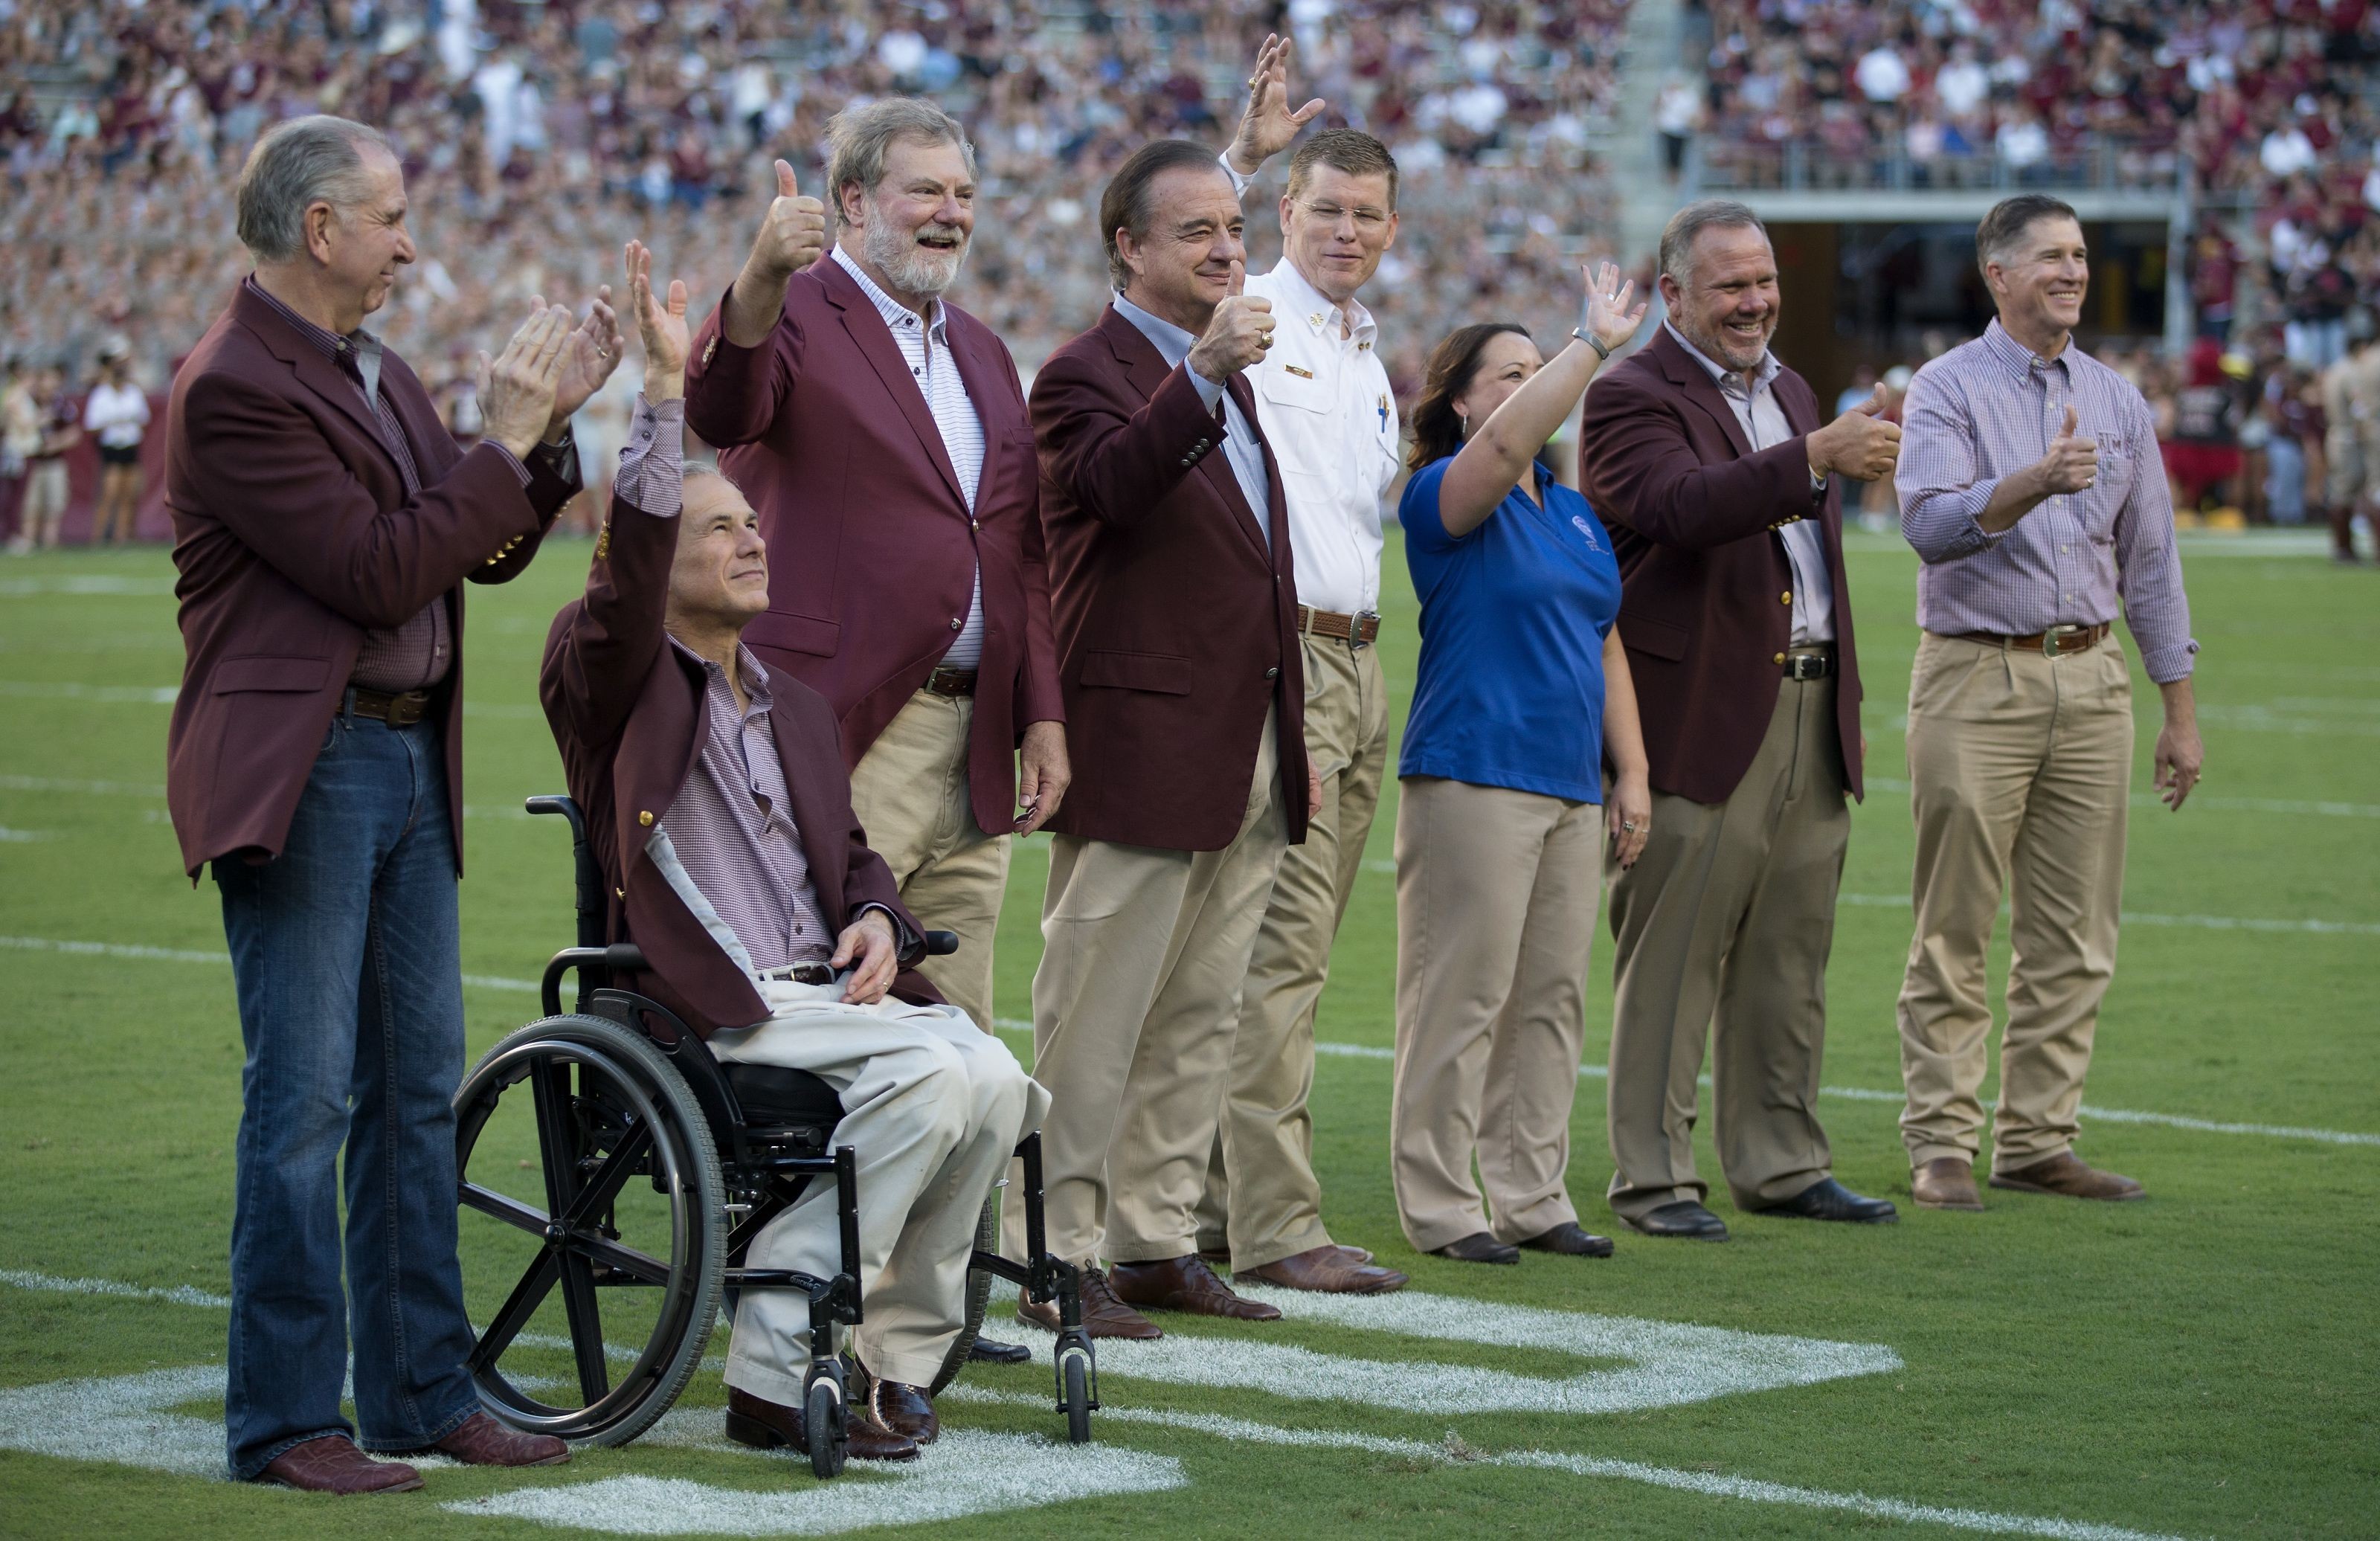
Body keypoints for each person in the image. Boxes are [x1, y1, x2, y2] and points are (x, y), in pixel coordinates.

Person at [165, 115, 610, 1493]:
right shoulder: (236, 382)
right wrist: (507, 436)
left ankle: (419, 1389)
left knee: (416, 1093)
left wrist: (545, 440)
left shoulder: (374, 370)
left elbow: (469, 549)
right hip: (311, 768)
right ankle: (288, 1421)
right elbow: (375, 569)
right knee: (302, 1103)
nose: (412, 245)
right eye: (394, 218)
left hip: (408, 758)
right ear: (320, 230)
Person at [544, 241, 1046, 1461]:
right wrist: (663, 397)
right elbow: (630, 577)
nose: (752, 541)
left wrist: (876, 918)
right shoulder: (609, 670)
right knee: (938, 1077)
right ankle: (775, 1345)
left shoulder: (801, 704)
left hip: (819, 988)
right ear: (650, 561)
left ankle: (896, 1353)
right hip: (705, 997)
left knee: (997, 1080)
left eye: (750, 525)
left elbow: (857, 861)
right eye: (720, 531)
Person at [683, 97, 1067, 1369]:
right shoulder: (801, 306)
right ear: (852, 203)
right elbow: (727, 398)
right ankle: (814, 1278)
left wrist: (1044, 708)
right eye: (922, 191)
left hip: (976, 732)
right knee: (860, 998)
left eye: (962, 190)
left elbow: (1014, 551)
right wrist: (756, 276)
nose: (950, 212)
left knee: (961, 1004)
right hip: (850, 721)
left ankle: (923, 1297)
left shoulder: (986, 352)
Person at [1024, 137, 1316, 1340]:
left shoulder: (1227, 372)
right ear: (1127, 248)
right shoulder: (1085, 372)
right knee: (1097, 1010)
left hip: (1241, 729)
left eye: (1232, 230)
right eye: (1193, 231)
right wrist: (1195, 373)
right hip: (1140, 734)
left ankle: (1151, 1237)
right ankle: (1055, 1250)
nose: (1225, 249)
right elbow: (1113, 488)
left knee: (1200, 1008)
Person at [1579, 199, 1901, 1241]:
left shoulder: (1794, 389)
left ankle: (1783, 1161)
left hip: (1810, 699)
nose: (1756, 301)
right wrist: (1812, 455)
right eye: (1730, 285)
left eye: (1764, 281)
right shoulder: (1631, 392)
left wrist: (1815, 444)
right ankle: (1653, 1178)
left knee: (1789, 954)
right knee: (1674, 955)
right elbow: (1680, 506)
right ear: (1673, 294)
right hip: (1702, 706)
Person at [1893, 194, 2204, 1211]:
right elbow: (1930, 527)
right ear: (1999, 274)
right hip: (1978, 670)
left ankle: (2036, 1139)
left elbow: (2151, 561)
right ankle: (1941, 1144)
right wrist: (2031, 481)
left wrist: (2180, 709)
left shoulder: (2115, 400)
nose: (2073, 272)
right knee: (1956, 923)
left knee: (2076, 934)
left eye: (2079, 256)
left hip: (2094, 673)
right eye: (2051, 258)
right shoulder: (1944, 388)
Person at [1189, 41, 1407, 1296]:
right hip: (1290, 664)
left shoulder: (1368, 352)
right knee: (1278, 952)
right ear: (1284, 213)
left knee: (1289, 946)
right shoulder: (1251, 318)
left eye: (1367, 214)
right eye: (1324, 208)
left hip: (1362, 663)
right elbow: (1167, 287)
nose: (1346, 230)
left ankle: (1219, 1202)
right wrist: (1238, 154)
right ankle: (1276, 1222)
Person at [1389, 263, 1650, 1266]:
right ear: (1460, 402)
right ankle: (1442, 1203)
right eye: (1509, 373)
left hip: (1567, 785)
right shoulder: (1446, 495)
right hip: (1474, 773)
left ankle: (1532, 1193)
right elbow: (1504, 445)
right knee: (1461, 996)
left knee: (1550, 997)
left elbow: (1605, 638)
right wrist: (1589, 348)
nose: (1531, 385)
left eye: (1537, 370)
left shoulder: (1573, 513)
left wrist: (1629, 773)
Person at [83, 338, 150, 544]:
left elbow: (143, 419)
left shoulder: (133, 392)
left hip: (131, 446)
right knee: (109, 494)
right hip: (112, 448)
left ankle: (122, 536)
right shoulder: (101, 395)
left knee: (129, 494)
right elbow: (92, 426)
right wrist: (115, 422)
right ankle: (98, 536)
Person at [11, 366, 78, 553]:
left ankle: (50, 542)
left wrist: (56, 443)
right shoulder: (27, 401)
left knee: (54, 505)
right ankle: (28, 540)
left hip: (54, 461)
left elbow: (74, 432)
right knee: (31, 505)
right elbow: (12, 406)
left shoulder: (61, 404)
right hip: (31, 460)